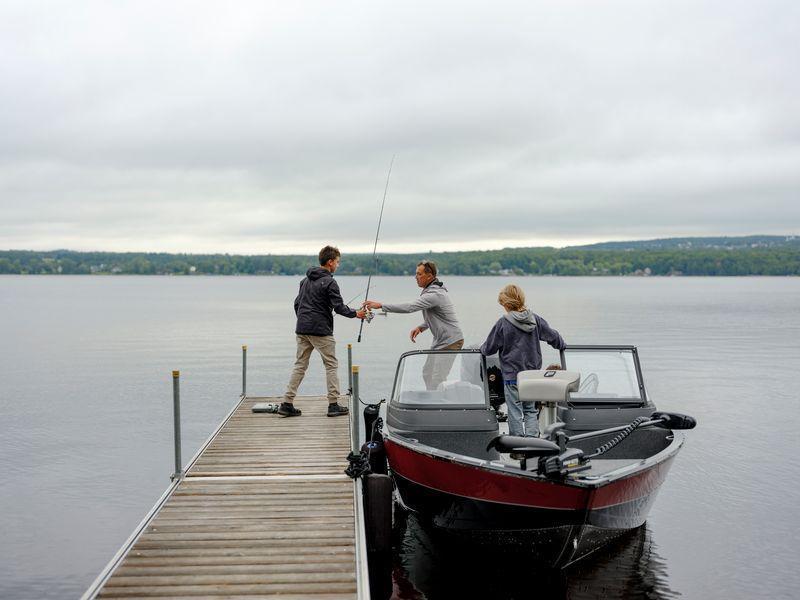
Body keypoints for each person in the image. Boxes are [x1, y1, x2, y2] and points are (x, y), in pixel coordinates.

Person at [278, 245, 366, 417]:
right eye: (337, 262)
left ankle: (287, 403)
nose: (338, 265)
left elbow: (297, 304)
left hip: (302, 329)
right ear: (330, 262)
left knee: (300, 365)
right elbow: (339, 307)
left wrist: (304, 320)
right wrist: (356, 313)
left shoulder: (305, 281)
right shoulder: (330, 282)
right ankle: (333, 404)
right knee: (331, 365)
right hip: (320, 330)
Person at [480, 284, 566, 437]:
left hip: (512, 377)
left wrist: (482, 349)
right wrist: (562, 345)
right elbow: (553, 336)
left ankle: (517, 443)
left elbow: (489, 349)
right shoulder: (535, 319)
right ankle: (532, 439)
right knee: (530, 410)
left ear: (507, 304)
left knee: (514, 411)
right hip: (531, 376)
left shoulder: (503, 323)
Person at [363, 260, 464, 389]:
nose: (415, 277)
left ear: (430, 276)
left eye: (419, 274)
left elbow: (410, 307)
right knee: (427, 373)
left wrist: (381, 305)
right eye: (416, 274)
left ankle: (438, 400)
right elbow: (439, 316)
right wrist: (422, 327)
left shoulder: (434, 294)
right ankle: (432, 398)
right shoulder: (430, 291)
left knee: (437, 378)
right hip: (440, 340)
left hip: (451, 341)